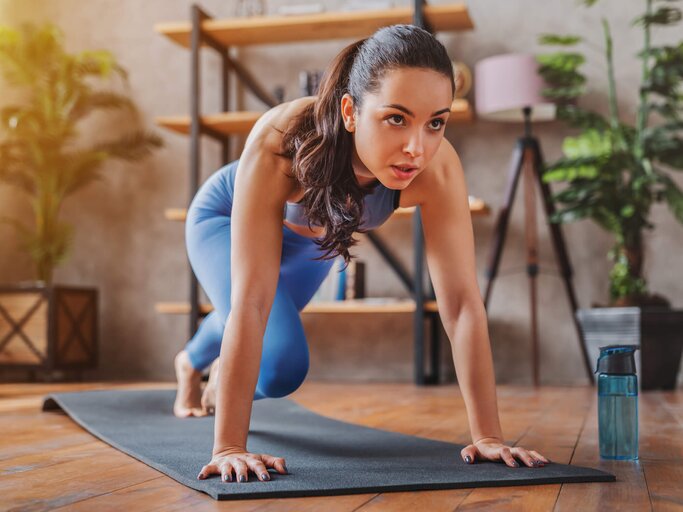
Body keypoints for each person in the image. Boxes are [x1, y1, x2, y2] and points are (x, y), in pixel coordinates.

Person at [174, 24, 550, 484]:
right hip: (223, 221)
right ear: (350, 111)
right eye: (396, 118)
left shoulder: (437, 168)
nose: (417, 147)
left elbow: (462, 305)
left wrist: (488, 436)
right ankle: (194, 362)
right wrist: (230, 447)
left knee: (273, 355)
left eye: (436, 122)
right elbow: (252, 302)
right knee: (280, 365)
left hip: (315, 238)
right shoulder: (282, 139)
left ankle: (196, 360)